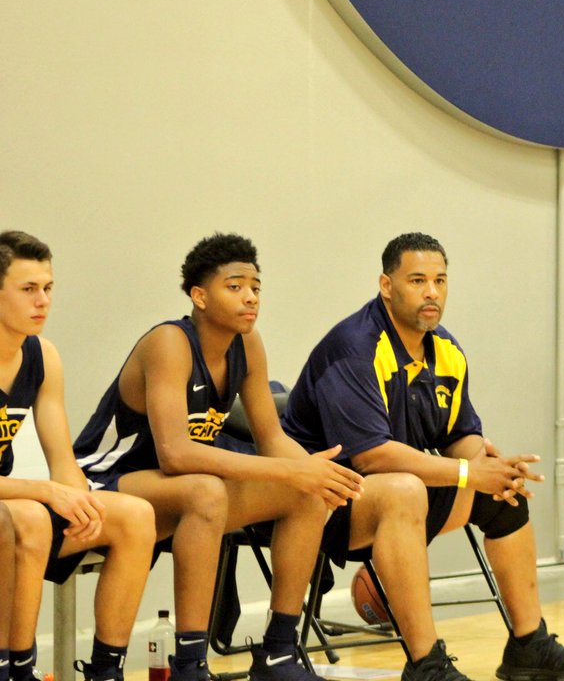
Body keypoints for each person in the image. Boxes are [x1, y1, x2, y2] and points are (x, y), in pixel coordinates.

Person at [281, 233, 564, 681]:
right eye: (417, 280)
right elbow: (372, 457)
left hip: (400, 496)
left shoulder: (446, 350)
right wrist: (466, 472)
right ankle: (426, 665)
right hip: (320, 507)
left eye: (440, 280)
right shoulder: (355, 348)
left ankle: (529, 643)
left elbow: (459, 433)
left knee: (504, 493)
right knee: (404, 489)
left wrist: (489, 466)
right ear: (386, 285)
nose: (432, 292)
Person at [73, 233, 364, 681]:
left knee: (305, 495)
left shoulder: (247, 345)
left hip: (180, 488)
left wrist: (313, 471)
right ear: (199, 296)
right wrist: (290, 469)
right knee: (207, 491)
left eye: (256, 287)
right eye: (235, 286)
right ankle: (191, 664)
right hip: (111, 477)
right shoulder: (169, 343)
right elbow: (174, 454)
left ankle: (279, 652)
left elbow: (271, 437)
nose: (250, 297)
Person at [0, 231, 157, 681]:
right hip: (14, 506)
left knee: (134, 516)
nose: (42, 301)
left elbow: (62, 457)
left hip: (13, 500)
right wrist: (48, 493)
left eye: (48, 288)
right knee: (29, 515)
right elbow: (41, 490)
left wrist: (79, 500)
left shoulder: (43, 355)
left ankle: (105, 671)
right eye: (28, 289)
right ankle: (18, 669)